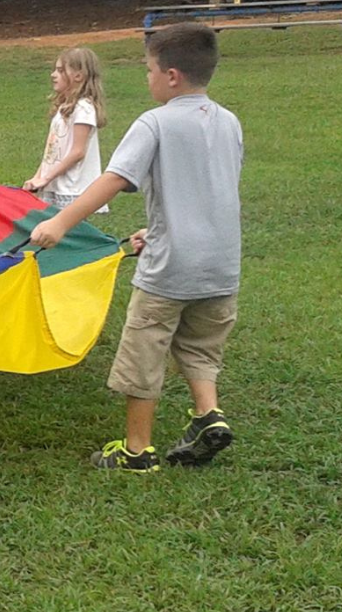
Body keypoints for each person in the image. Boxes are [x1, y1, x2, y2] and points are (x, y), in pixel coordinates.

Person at [30, 23, 242, 473]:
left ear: (171, 76)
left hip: (169, 271)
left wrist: (60, 223)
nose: (145, 78)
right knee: (200, 346)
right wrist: (158, 228)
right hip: (222, 267)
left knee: (144, 353)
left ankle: (136, 451)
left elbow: (113, 179)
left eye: (148, 70)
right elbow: (206, 191)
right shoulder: (229, 122)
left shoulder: (156, 122)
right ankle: (208, 414)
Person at [22, 47, 108, 210]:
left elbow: (78, 152)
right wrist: (38, 177)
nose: (53, 75)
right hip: (55, 185)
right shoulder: (64, 107)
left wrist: (46, 178)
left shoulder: (83, 108)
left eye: (60, 70)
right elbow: (51, 153)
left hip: (72, 189)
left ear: (78, 76)